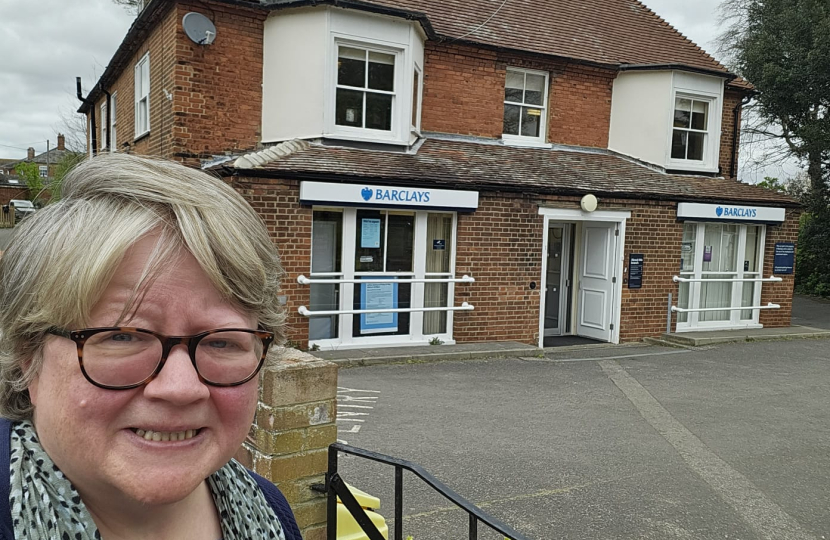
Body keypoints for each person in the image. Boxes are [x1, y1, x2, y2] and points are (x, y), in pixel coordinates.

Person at [0, 154, 302, 539]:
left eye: (223, 341)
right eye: (122, 336)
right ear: (28, 360)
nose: (181, 388)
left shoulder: (271, 510)